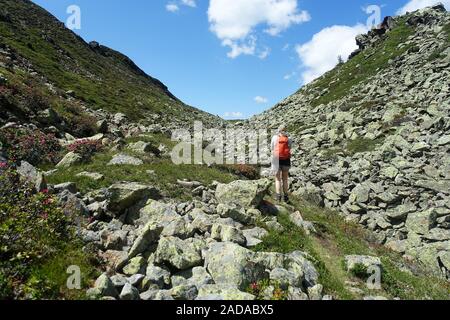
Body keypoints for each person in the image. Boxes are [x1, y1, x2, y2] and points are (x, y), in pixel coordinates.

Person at [271, 124, 293, 203]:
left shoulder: (274, 137)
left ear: (278, 130)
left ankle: (278, 197)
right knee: (285, 179)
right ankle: (286, 197)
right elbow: (290, 148)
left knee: (277, 179)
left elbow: (272, 148)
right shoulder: (289, 138)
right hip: (286, 160)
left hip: (276, 160)